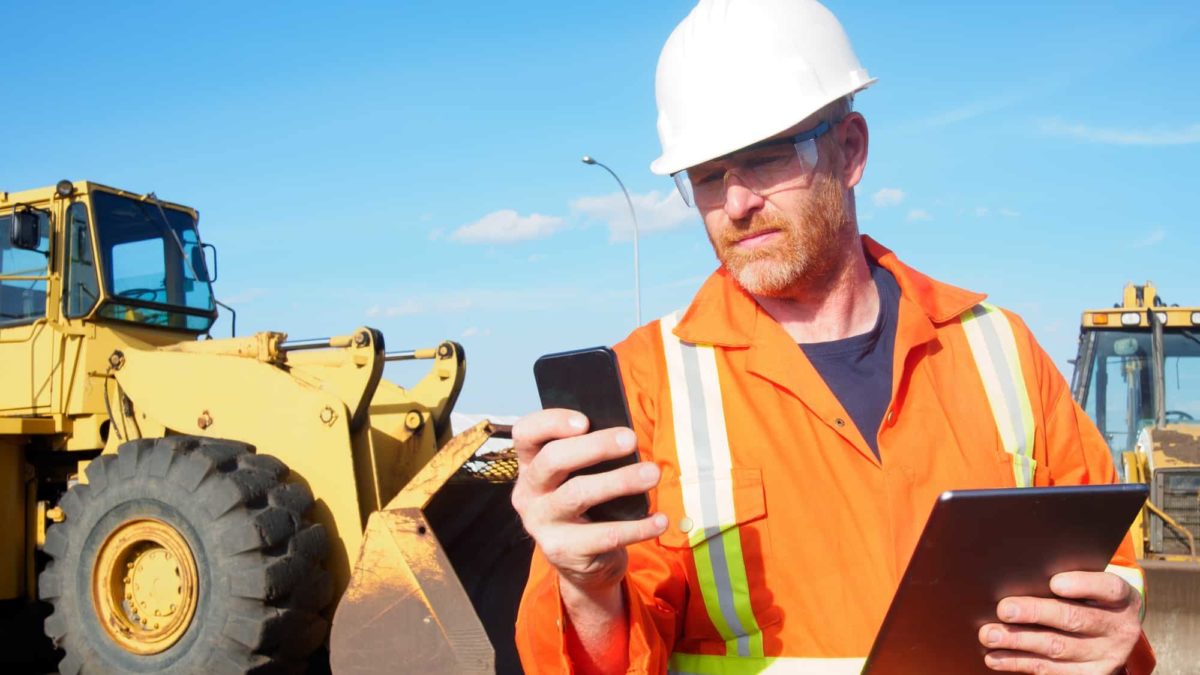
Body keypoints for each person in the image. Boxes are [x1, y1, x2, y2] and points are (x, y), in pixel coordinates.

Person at [510, 1, 1156, 673]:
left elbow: (1111, 576)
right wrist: (586, 589)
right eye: (706, 177)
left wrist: (1113, 644)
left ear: (850, 150)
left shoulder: (1000, 350)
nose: (735, 204)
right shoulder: (644, 383)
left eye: (765, 159)